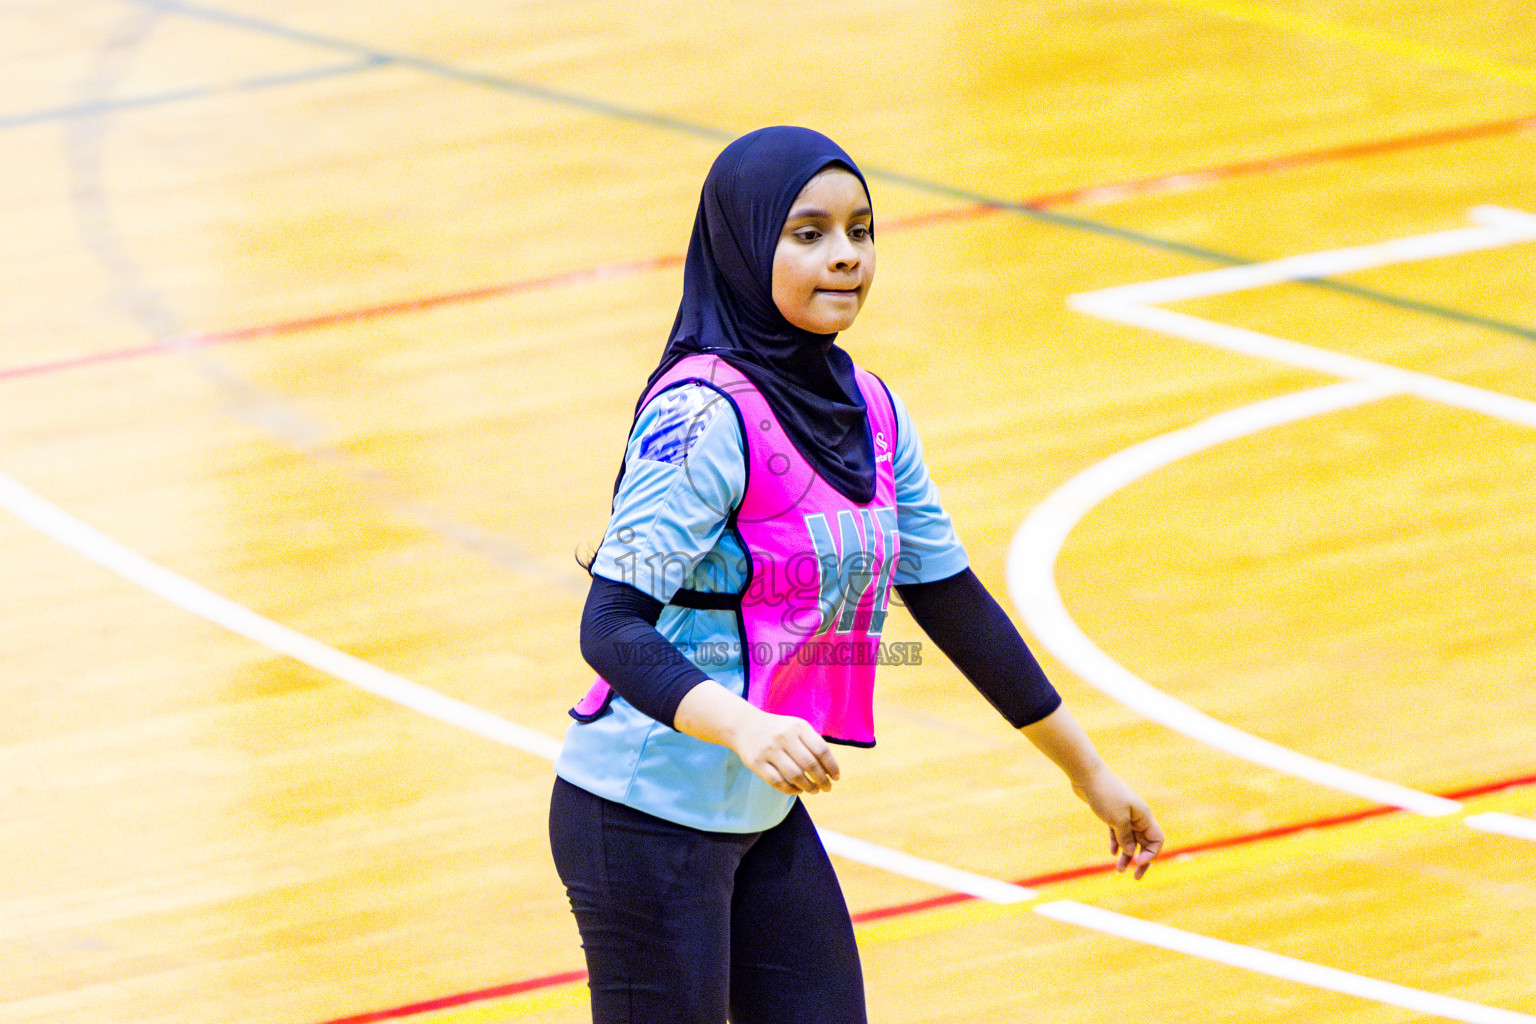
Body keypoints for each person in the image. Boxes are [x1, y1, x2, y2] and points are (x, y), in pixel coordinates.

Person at [549, 126, 1163, 1024]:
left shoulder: (872, 410)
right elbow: (609, 627)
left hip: (757, 811)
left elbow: (951, 600)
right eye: (809, 234)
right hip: (642, 815)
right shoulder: (701, 418)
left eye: (860, 230)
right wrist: (744, 725)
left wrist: (1088, 773)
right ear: (743, 246)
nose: (846, 256)